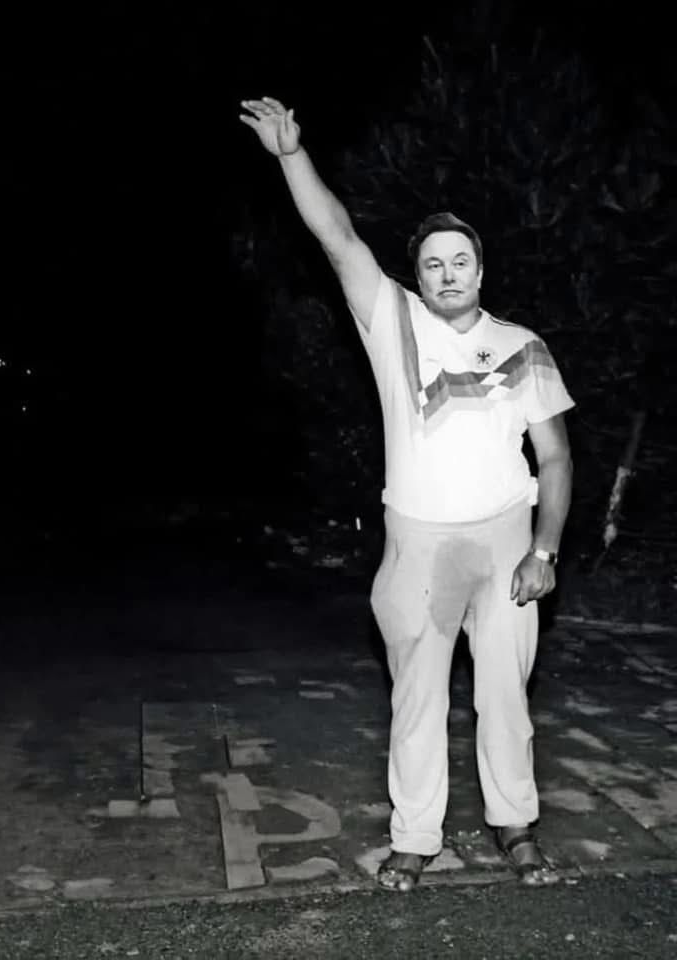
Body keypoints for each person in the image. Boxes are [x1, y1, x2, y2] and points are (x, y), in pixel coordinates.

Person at [240, 96, 574, 891]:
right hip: (417, 542)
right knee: (416, 699)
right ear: (417, 275)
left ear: (480, 271)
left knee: (505, 697)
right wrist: (291, 156)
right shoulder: (392, 319)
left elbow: (556, 456)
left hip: (505, 538)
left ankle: (516, 827)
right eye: (432, 264)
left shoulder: (523, 347)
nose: (447, 274)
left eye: (460, 262)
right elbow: (336, 235)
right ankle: (415, 838)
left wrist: (545, 550)